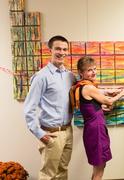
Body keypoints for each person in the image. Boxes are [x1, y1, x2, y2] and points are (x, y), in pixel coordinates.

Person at [69, 56, 124, 180]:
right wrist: (122, 93)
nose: (94, 72)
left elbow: (98, 96)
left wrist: (110, 92)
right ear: (81, 72)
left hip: (92, 129)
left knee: (98, 167)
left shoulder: (81, 86)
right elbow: (109, 102)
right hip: (96, 131)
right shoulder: (89, 87)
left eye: (95, 69)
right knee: (99, 169)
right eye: (89, 70)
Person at [24, 35, 75, 180]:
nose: (62, 52)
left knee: (63, 171)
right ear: (50, 50)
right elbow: (29, 108)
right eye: (58, 48)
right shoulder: (41, 77)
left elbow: (85, 90)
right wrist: (39, 133)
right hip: (52, 134)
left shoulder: (70, 76)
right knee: (48, 175)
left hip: (68, 131)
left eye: (65, 49)